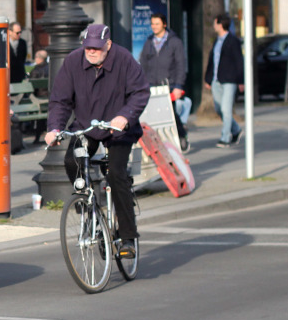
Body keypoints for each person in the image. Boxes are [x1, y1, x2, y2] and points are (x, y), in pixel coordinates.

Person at [45, 24, 150, 259]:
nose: (91, 52)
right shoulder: (73, 62)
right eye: (87, 48)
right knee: (72, 161)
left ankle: (128, 237)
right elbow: (60, 100)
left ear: (108, 45)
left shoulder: (124, 60)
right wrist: (54, 128)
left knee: (116, 173)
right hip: (87, 126)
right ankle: (89, 210)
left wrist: (125, 116)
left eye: (96, 48)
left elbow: (140, 92)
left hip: (118, 129)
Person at [139, 13, 191, 151]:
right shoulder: (149, 42)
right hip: (151, 85)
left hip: (169, 84)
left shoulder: (175, 42)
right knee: (154, 115)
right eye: (152, 24)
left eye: (157, 23)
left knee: (171, 113)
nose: (154, 27)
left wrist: (178, 86)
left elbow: (181, 64)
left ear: (164, 24)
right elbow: (143, 63)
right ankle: (160, 144)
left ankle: (181, 135)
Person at [206, 13, 245, 148]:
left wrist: (241, 80)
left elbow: (239, 61)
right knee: (218, 109)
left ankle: (225, 138)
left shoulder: (233, 41)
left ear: (220, 24)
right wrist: (208, 78)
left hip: (229, 80)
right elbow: (212, 61)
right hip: (216, 80)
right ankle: (236, 130)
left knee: (226, 109)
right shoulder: (217, 40)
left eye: (215, 23)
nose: (213, 25)